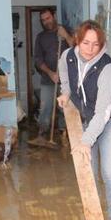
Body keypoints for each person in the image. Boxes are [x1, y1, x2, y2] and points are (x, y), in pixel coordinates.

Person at [56, 20, 111, 220]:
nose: (90, 49)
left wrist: (86, 140)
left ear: (101, 44)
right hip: (87, 117)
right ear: (78, 40)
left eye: (95, 44)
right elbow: (64, 73)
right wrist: (66, 93)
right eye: (86, 43)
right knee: (88, 172)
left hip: (110, 120)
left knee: (109, 171)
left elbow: (103, 112)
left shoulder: (107, 68)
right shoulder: (68, 56)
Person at [33, 9, 73, 139]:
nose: (46, 22)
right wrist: (51, 73)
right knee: (45, 107)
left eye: (48, 18)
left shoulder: (66, 30)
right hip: (48, 79)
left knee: (64, 107)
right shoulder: (41, 37)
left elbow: (78, 49)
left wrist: (66, 36)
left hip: (67, 79)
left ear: (54, 16)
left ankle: (64, 132)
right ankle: (42, 131)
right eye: (43, 20)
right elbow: (38, 60)